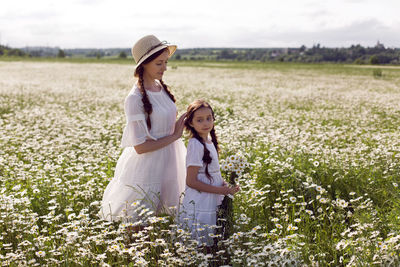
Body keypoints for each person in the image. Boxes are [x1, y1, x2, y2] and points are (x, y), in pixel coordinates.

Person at [99, 35, 187, 225]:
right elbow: (139, 147)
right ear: (144, 64)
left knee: (169, 218)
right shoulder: (134, 99)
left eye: (165, 62)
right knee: (139, 223)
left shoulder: (159, 86)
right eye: (159, 63)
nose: (164, 68)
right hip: (148, 166)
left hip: (171, 159)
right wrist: (174, 136)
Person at [179, 100, 240, 247]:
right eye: (199, 120)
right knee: (197, 240)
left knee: (207, 240)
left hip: (209, 198)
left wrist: (224, 184)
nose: (205, 123)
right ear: (191, 123)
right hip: (199, 200)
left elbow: (210, 172)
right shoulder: (195, 144)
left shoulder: (209, 141)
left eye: (209, 118)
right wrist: (221, 190)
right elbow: (191, 181)